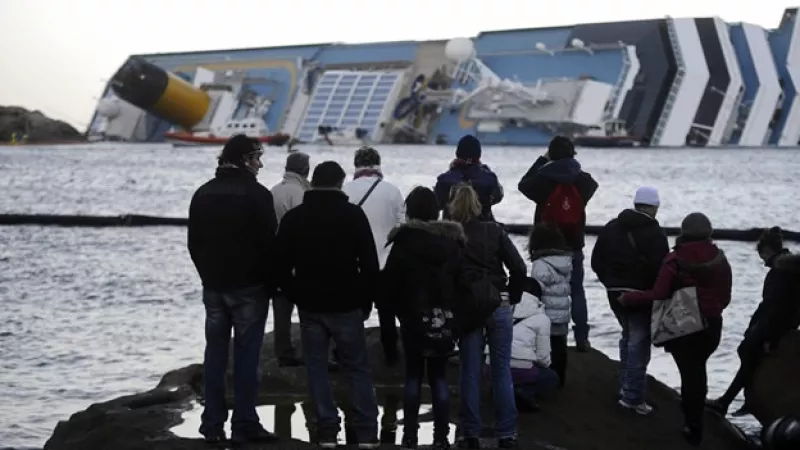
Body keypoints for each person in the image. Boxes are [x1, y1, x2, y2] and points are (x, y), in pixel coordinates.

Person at [275, 161, 381, 449]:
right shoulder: (353, 215)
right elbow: (369, 264)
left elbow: (280, 266)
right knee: (357, 369)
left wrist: (296, 294)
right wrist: (366, 301)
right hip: (347, 303)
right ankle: (367, 432)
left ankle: (327, 430)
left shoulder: (294, 219)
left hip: (310, 305)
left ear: (314, 182)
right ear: (339, 183)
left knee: (317, 368)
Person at [187, 134, 279, 445]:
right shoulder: (258, 195)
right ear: (244, 159)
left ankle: (212, 423)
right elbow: (269, 245)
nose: (260, 163)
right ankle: (244, 422)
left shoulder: (202, 194)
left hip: (213, 287)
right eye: (256, 157)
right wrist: (271, 283)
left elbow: (194, 243)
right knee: (246, 357)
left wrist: (206, 276)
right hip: (249, 287)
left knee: (214, 355)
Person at [620, 212, 732, 446]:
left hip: (685, 324)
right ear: (708, 232)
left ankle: (693, 425)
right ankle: (695, 416)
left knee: (689, 373)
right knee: (698, 370)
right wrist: (712, 309)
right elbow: (726, 296)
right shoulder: (721, 259)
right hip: (713, 324)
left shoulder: (675, 259)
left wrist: (630, 297)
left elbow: (659, 294)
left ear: (684, 232)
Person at [383, 186, 466, 449]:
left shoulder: (403, 242)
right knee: (439, 376)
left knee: (413, 377)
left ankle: (409, 436)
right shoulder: (453, 243)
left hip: (412, 318)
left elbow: (390, 284)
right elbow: (461, 283)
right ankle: (441, 437)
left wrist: (396, 315)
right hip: (444, 318)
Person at [448, 184, 527, 449]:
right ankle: (507, 433)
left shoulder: (452, 235)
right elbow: (518, 266)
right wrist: (511, 296)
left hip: (470, 307)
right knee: (501, 369)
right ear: (480, 206)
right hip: (498, 302)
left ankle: (469, 432)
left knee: (469, 370)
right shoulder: (495, 230)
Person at [591, 186, 669, 415]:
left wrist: (609, 282)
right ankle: (632, 397)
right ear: (654, 206)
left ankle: (626, 385)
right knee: (638, 342)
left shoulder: (612, 227)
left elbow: (596, 260)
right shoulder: (655, 233)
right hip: (640, 294)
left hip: (614, 292)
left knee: (628, 335)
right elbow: (662, 268)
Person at [707, 227, 800, 417]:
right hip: (784, 323)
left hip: (775, 325)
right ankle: (737, 401)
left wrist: (768, 337)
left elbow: (774, 306)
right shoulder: (788, 266)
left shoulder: (780, 270)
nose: (763, 262)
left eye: (762, 256)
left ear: (766, 250)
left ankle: (731, 401)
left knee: (747, 352)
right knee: (747, 353)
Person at [517, 136, 598, 351]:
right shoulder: (583, 180)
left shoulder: (543, 178)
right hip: (573, 243)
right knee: (577, 290)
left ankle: (545, 339)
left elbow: (523, 185)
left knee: (543, 293)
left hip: (546, 243)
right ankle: (582, 338)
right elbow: (593, 186)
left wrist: (542, 160)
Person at [342, 146, 405, 366]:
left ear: (356, 164)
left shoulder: (346, 190)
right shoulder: (392, 191)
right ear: (378, 164)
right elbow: (402, 225)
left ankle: (351, 356)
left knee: (355, 312)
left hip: (356, 263)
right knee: (386, 312)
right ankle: (391, 356)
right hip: (386, 262)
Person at [269, 151, 311, 367]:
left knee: (281, 312)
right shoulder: (301, 193)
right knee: (306, 311)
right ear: (305, 169)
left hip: (277, 260)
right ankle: (306, 352)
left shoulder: (273, 191)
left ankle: (283, 353)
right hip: (298, 260)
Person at [527, 223, 573, 388]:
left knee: (545, 346)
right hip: (562, 312)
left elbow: (537, 289)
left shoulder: (540, 264)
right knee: (560, 345)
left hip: (546, 312)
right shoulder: (565, 261)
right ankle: (560, 379)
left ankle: (547, 381)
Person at [500, 292, 559, 412]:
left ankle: (504, 390)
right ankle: (524, 392)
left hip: (492, 369)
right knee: (551, 377)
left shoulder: (502, 309)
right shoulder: (541, 319)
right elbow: (543, 359)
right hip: (521, 371)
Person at [434, 134, 504, 221]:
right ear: (479, 154)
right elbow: (498, 197)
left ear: (457, 153)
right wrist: (485, 170)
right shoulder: (489, 179)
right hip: (483, 230)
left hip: (451, 230)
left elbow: (436, 205)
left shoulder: (444, 180)